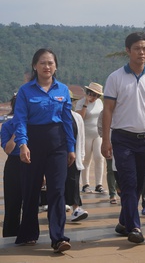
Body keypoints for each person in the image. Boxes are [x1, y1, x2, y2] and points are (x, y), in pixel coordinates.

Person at [101, 32, 145, 244]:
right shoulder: (115, 78)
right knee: (129, 183)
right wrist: (106, 139)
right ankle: (135, 227)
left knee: (140, 183)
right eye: (137, 48)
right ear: (128, 51)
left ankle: (123, 221)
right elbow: (108, 110)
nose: (142, 52)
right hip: (122, 139)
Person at [13, 48, 76, 253]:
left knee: (57, 191)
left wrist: (71, 148)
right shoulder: (25, 91)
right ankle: (29, 233)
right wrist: (22, 144)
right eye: (42, 63)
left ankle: (58, 238)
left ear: (55, 66)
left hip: (57, 145)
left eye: (50, 63)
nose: (47, 66)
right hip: (33, 143)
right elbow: (20, 119)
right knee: (31, 190)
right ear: (35, 66)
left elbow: (67, 120)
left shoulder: (63, 90)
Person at [77, 82, 105, 194]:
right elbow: (80, 118)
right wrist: (85, 103)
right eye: (92, 94)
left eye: (97, 95)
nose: (94, 97)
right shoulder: (80, 103)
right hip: (85, 133)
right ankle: (85, 184)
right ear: (88, 93)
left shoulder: (100, 103)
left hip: (98, 133)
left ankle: (99, 184)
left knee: (99, 157)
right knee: (86, 159)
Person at [1, 94, 22, 237]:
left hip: (31, 163)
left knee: (31, 203)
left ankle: (28, 234)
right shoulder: (7, 126)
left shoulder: (34, 124)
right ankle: (11, 234)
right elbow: (8, 149)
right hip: (14, 165)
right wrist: (17, 131)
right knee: (12, 202)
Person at [67, 92, 89, 222]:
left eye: (70, 100)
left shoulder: (76, 117)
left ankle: (76, 208)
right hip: (58, 156)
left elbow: (81, 137)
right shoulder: (55, 116)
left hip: (74, 156)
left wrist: (81, 156)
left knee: (73, 181)